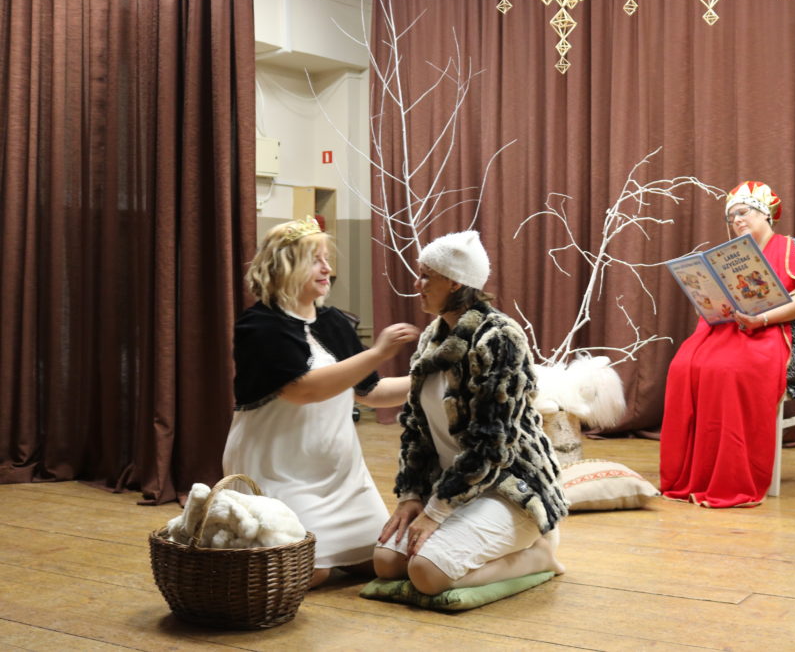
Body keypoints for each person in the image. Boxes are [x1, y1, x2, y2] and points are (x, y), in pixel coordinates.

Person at [223, 216, 420, 588]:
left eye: (327, 259)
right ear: (285, 266)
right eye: (316, 260)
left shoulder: (334, 323)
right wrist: (378, 352)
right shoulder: (259, 326)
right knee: (311, 571)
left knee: (388, 564)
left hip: (341, 478)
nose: (327, 268)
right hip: (280, 473)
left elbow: (370, 392)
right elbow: (303, 390)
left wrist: (433, 377)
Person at [373, 230, 568, 595]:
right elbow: (415, 428)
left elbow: (490, 446)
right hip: (455, 487)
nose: (417, 284)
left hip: (509, 488)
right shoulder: (433, 336)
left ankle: (539, 555)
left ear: (454, 282)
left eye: (426, 276)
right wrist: (411, 496)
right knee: (386, 563)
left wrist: (436, 512)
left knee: (426, 573)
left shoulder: (500, 337)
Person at [660, 181, 795, 508]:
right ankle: (692, 475)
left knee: (728, 370)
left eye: (743, 212)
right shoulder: (728, 257)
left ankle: (731, 476)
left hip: (784, 340)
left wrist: (762, 319)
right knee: (683, 366)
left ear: (765, 213)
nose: (736, 220)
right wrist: (707, 300)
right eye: (731, 216)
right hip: (730, 334)